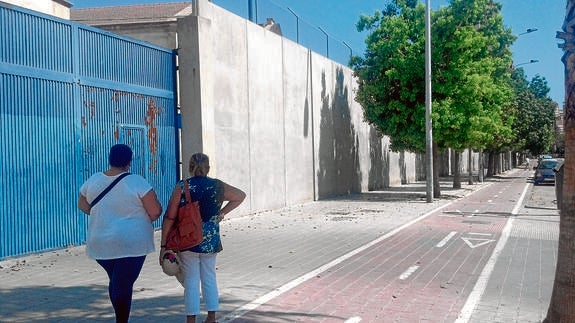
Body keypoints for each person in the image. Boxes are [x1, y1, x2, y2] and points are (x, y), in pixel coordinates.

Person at [78, 144, 162, 323]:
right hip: (131, 244)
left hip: (100, 243)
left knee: (117, 282)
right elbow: (155, 211)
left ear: (110, 159)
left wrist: (105, 215)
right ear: (129, 162)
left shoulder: (93, 180)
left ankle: (120, 318)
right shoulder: (137, 181)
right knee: (122, 285)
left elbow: (83, 205)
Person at [160, 153, 246, 323]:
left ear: (190, 168)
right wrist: (221, 213)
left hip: (188, 239)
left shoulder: (183, 186)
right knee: (209, 276)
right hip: (210, 240)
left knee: (191, 279)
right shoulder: (217, 186)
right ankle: (211, 317)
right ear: (208, 168)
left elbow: (170, 216)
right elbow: (240, 196)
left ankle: (191, 319)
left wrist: (164, 245)